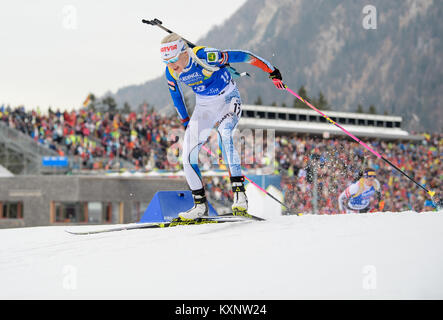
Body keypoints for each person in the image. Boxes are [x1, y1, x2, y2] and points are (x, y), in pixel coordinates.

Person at [161, 33, 284, 220]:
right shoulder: (171, 71)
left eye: (175, 60)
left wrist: (271, 70)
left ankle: (240, 195)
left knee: (224, 133)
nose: (172, 66)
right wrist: (186, 122)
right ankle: (200, 206)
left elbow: (244, 56)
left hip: (228, 98)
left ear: (184, 51)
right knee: (187, 151)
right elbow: (176, 97)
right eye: (167, 62)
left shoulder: (206, 56)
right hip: (204, 106)